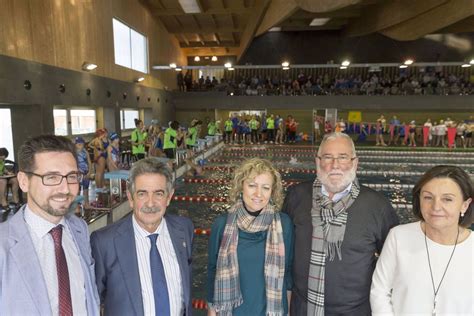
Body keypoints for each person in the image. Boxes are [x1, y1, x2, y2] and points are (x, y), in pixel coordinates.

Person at [282, 132, 399, 315]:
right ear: (318, 161)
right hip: (302, 308)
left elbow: (393, 261)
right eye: (328, 157)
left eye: (343, 157)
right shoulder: (296, 196)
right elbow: (283, 251)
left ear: (355, 162)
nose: (335, 165)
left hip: (356, 311)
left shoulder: (377, 206)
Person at [0, 135, 100, 315]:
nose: (65, 188)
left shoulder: (80, 229)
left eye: (71, 176)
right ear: (24, 181)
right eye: (51, 177)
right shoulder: (4, 244)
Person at [91, 158, 194, 316]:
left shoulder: (184, 229)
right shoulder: (104, 242)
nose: (151, 203)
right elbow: (93, 302)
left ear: (169, 197)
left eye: (158, 194)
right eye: (142, 194)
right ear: (131, 199)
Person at [371, 165, 473, 315]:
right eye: (428, 197)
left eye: (447, 199)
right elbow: (379, 290)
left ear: (464, 205)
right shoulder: (399, 237)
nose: (436, 207)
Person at [207, 158, 294, 315]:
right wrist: (212, 311)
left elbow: (287, 273)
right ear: (241, 186)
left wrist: (286, 312)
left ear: (272, 191)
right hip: (233, 311)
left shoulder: (283, 224)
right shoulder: (222, 224)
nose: (258, 194)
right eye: (252, 185)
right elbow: (213, 270)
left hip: (270, 310)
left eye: (265, 188)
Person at [0, 147, 20, 212]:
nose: (4, 158)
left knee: (15, 180)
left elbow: (3, 169)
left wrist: (8, 173)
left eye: (5, 157)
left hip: (3, 177)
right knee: (2, 181)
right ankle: (3, 202)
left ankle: (15, 200)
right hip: (1, 179)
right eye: (3, 156)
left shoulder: (2, 161)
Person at [75, 136, 93, 207]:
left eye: (82, 144)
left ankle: (87, 203)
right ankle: (77, 204)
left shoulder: (85, 152)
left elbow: (89, 162)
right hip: (78, 173)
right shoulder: (74, 153)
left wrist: (90, 172)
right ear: (75, 145)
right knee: (77, 189)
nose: (81, 146)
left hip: (86, 172)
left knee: (86, 189)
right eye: (79, 144)